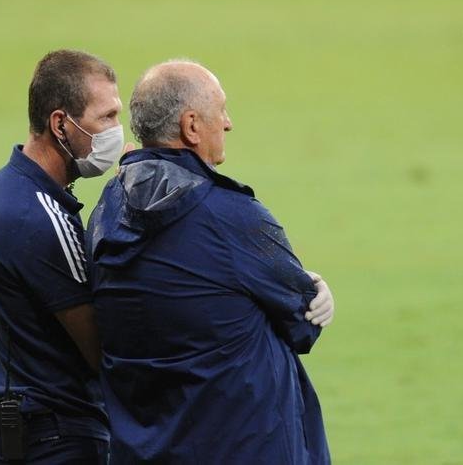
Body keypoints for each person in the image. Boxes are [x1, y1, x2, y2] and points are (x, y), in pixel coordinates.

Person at [87, 60, 334, 464]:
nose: (229, 123)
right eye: (221, 110)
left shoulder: (105, 213)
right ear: (191, 126)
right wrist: (316, 289)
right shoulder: (232, 218)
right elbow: (302, 322)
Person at [0, 49, 125, 464]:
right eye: (105, 118)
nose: (118, 133)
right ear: (60, 124)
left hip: (15, 432)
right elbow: (102, 347)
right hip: (58, 438)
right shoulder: (41, 216)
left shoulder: (0, 191)